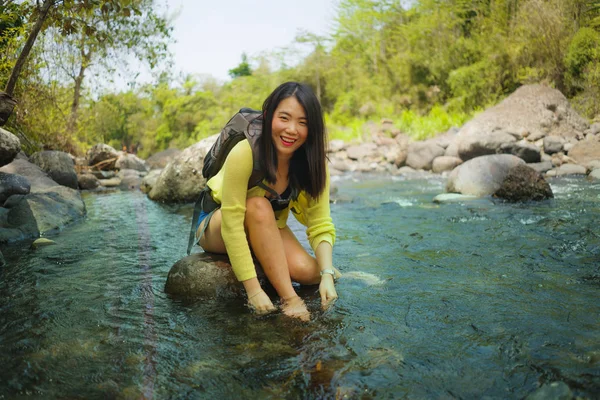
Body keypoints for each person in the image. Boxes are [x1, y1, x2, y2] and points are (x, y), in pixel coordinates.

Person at [194, 82, 339, 320]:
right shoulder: (246, 151)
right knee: (258, 205)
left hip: (265, 224)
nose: (292, 129)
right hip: (218, 224)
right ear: (269, 115)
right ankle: (289, 299)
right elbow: (231, 223)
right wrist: (253, 290)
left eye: (302, 123)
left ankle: (330, 273)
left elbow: (321, 223)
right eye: (284, 118)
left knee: (307, 271)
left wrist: (326, 274)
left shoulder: (314, 164)